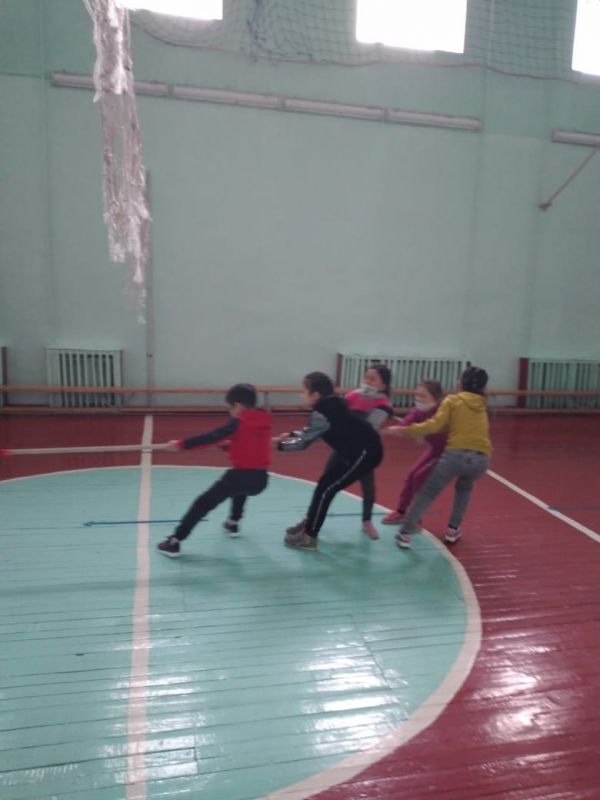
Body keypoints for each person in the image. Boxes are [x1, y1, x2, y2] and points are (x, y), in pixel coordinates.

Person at [382, 366, 491, 549]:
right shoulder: (482, 404)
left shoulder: (452, 401)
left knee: (428, 491)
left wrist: (407, 431)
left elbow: (434, 425)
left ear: (459, 384)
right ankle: (453, 530)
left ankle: (406, 532)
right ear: (484, 388)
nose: (419, 399)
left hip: (454, 454)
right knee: (464, 489)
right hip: (481, 459)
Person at [157, 383, 271, 557]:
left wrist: (180, 445)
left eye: (230, 407)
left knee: (203, 503)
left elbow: (210, 437)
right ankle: (233, 522)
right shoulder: (264, 419)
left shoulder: (238, 422)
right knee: (240, 490)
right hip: (261, 480)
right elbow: (252, 442)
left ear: (238, 406)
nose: (230, 412)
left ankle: (174, 542)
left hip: (240, 477)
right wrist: (232, 446)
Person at [275, 371, 383, 551]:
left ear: (315, 395)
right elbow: (315, 431)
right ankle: (310, 523)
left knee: (327, 489)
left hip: (366, 453)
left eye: (303, 391)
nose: (300, 395)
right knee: (324, 486)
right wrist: (292, 435)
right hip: (351, 450)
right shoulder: (330, 405)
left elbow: (304, 443)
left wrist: (280, 446)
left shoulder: (322, 412)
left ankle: (309, 537)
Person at [337, 363, 394, 539]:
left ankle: (367, 521)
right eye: (366, 378)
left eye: (373, 379)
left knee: (368, 488)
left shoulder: (384, 404)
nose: (368, 382)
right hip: (344, 448)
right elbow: (337, 412)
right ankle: (311, 516)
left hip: (365, 451)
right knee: (327, 483)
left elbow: (369, 427)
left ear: (383, 385)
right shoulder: (353, 395)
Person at [381, 379, 446, 527]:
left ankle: (416, 516)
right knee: (411, 475)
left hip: (448, 452)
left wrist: (417, 432)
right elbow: (405, 425)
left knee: (419, 477)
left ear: (436, 399)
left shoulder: (444, 411)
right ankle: (401, 511)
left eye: (423, 396)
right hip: (434, 449)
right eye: (416, 395)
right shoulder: (418, 412)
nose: (418, 399)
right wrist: (392, 430)